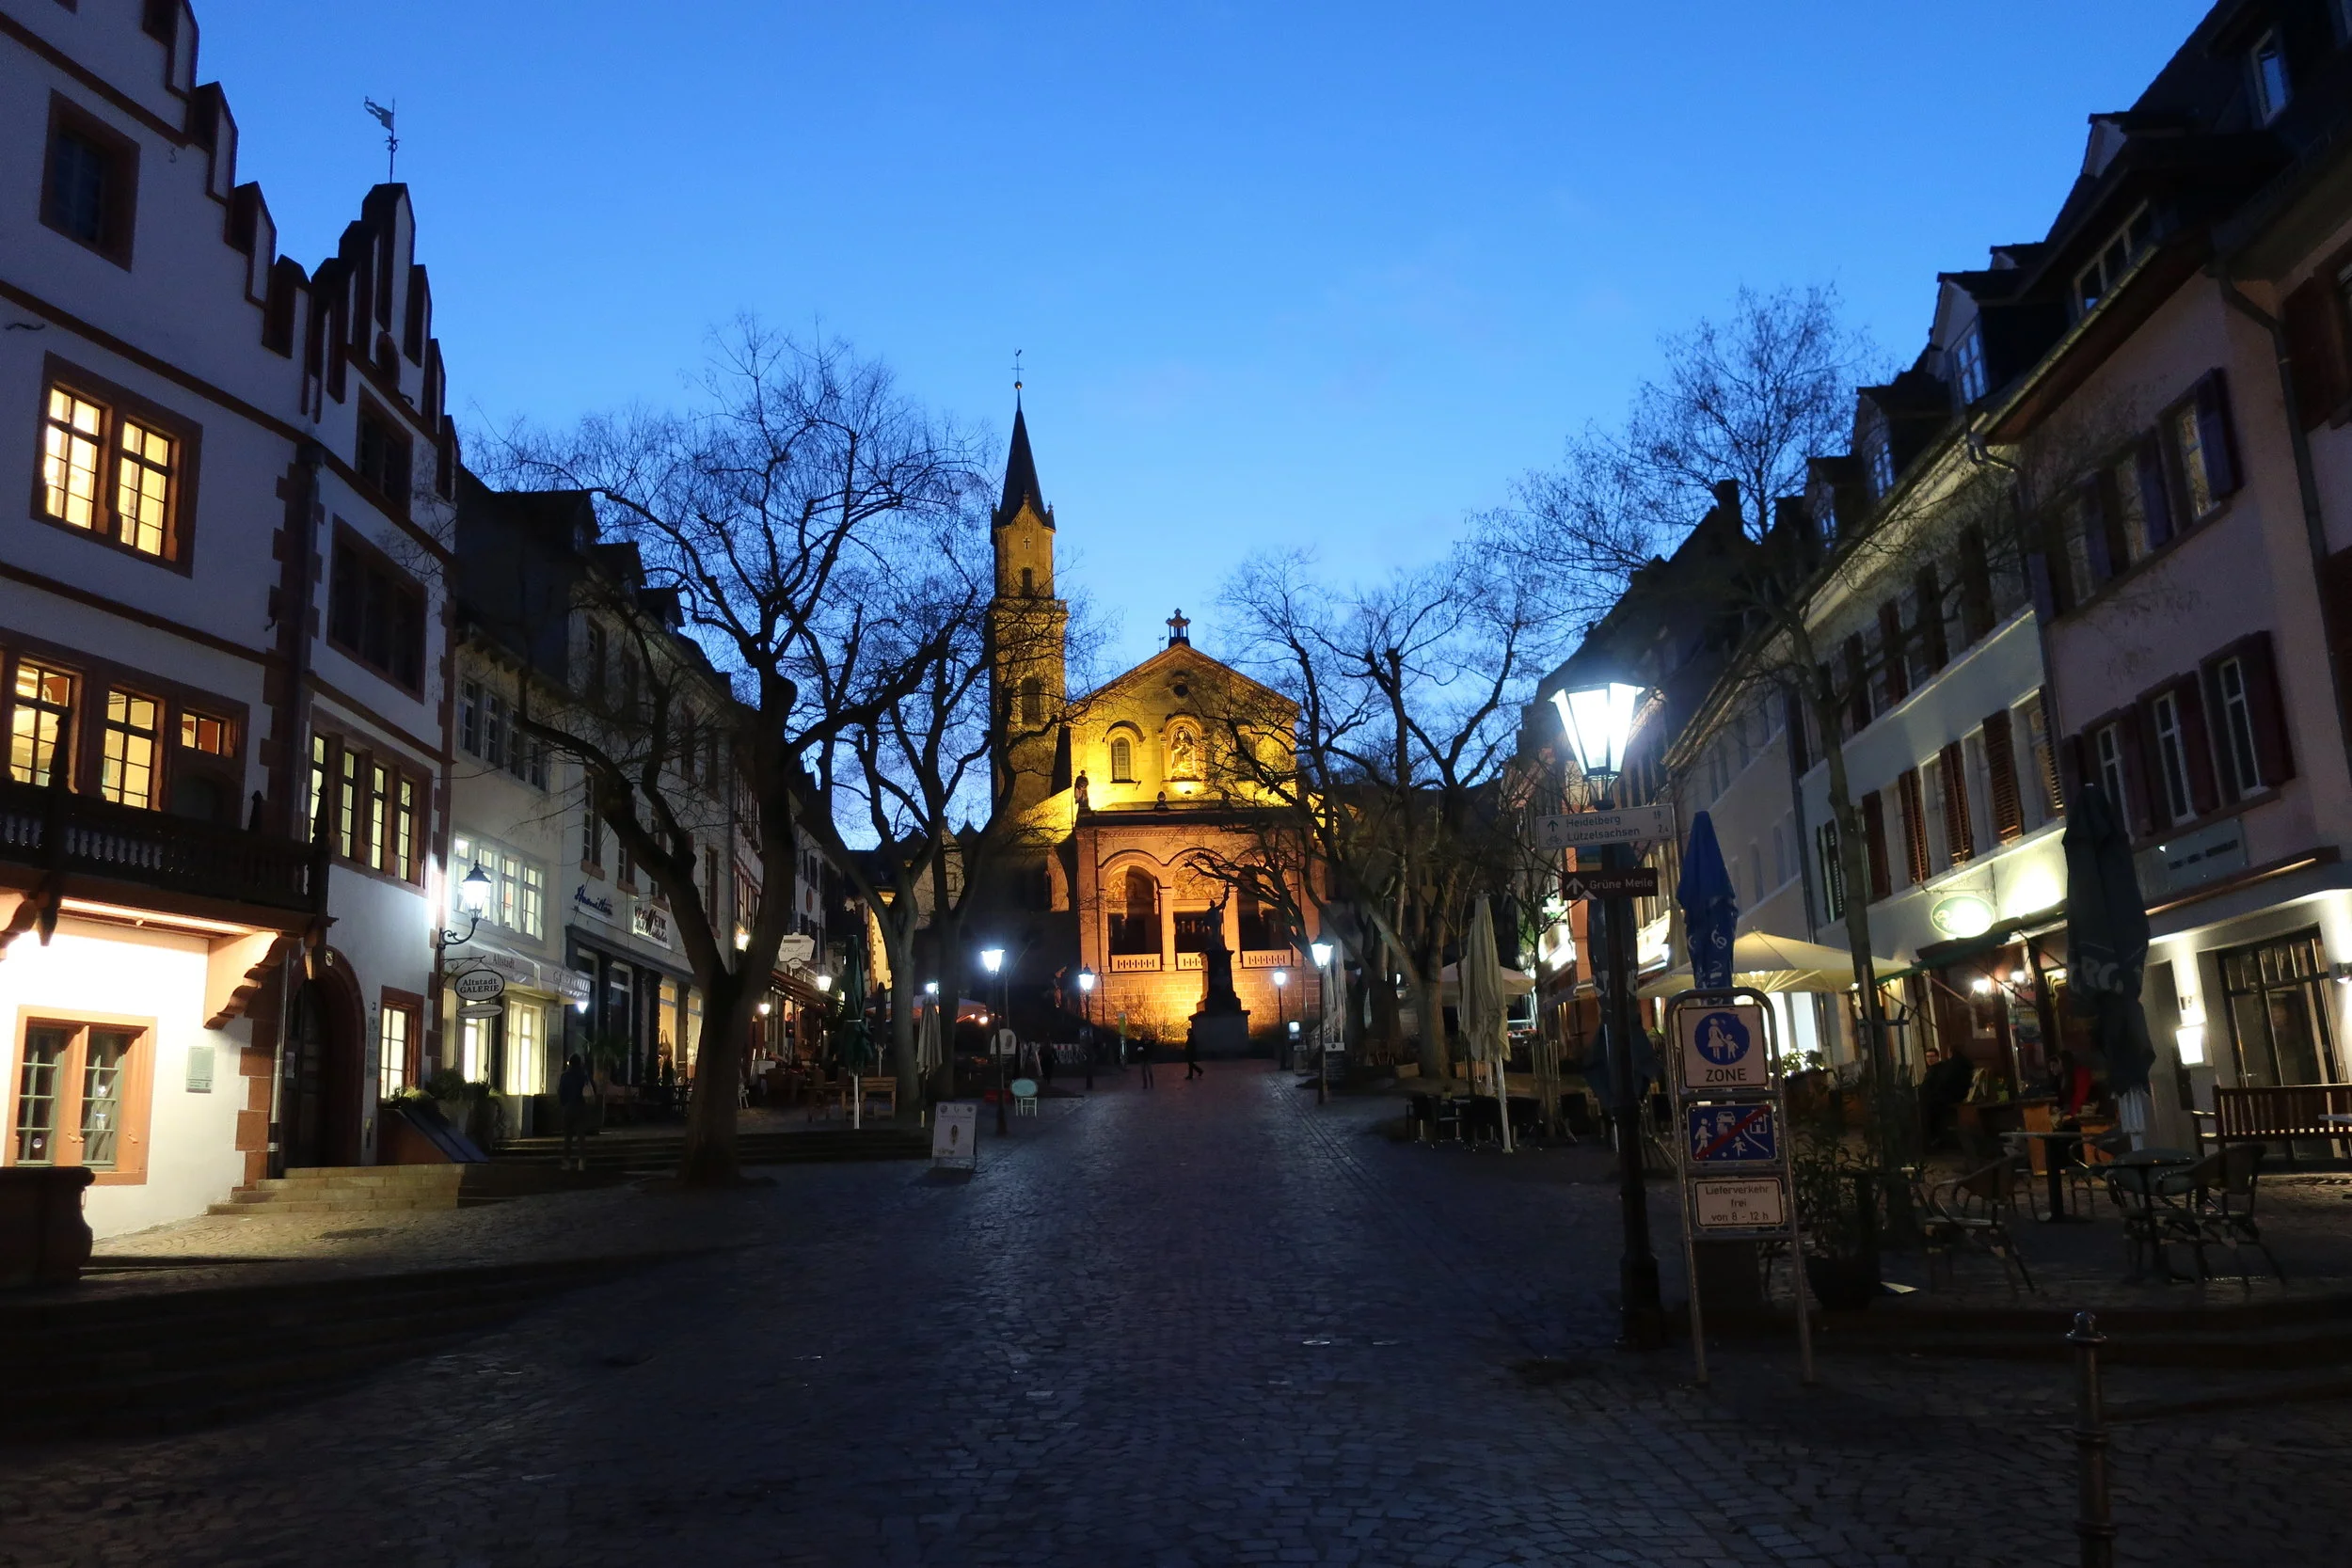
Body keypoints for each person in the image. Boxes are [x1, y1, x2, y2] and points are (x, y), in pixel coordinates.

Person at [557, 1053, 596, 1172]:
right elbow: (592, 1088)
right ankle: (582, 1161)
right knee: (581, 1136)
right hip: (580, 1107)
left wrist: (564, 1104)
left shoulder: (565, 1076)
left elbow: (561, 1092)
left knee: (568, 1136)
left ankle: (567, 1161)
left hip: (568, 1108)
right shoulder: (583, 1075)